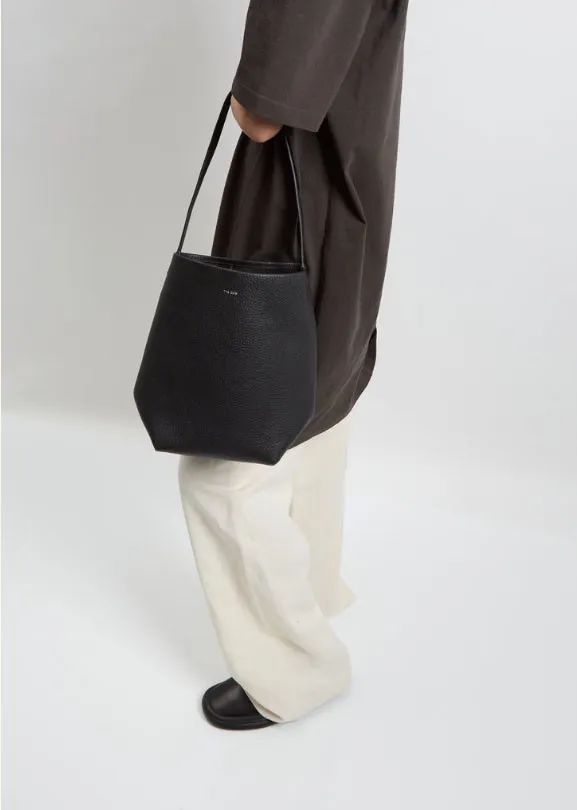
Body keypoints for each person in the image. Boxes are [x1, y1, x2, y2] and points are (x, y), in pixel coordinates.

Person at [178, 0, 410, 730]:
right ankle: (311, 592)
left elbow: (261, 113)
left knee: (225, 461)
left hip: (296, 210)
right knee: (316, 410)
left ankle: (293, 669)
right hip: (349, 200)